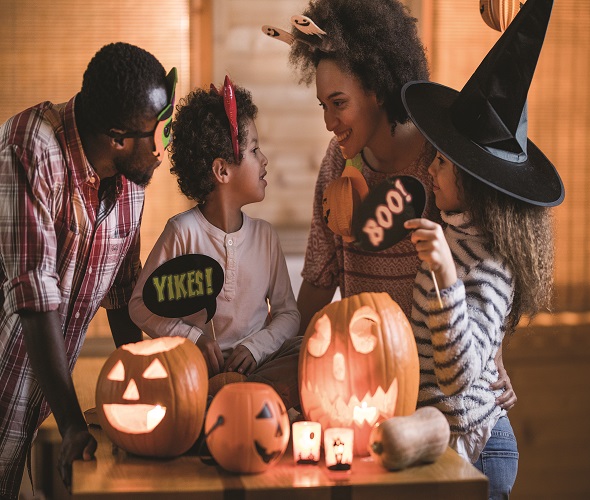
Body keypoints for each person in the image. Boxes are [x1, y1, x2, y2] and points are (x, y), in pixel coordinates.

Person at [264, 0, 516, 409]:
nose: (329, 121)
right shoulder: (337, 163)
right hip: (364, 378)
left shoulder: (440, 164)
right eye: (323, 105)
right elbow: (320, 276)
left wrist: (494, 354)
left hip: (434, 388)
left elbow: (484, 264)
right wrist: (282, 354)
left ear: (378, 90)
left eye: (339, 103)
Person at [0, 42, 176, 498]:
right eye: (158, 132)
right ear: (117, 137)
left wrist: (153, 387)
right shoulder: (31, 149)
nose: (164, 146)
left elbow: (119, 294)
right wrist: (74, 426)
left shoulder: (131, 183)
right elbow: (36, 298)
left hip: (39, 407)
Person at [401, 0, 563, 496]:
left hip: (478, 448)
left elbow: (459, 376)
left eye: (443, 164)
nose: (430, 169)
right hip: (440, 439)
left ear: (474, 184)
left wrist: (447, 278)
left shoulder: (487, 266)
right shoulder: (455, 234)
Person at [128, 79, 301, 408]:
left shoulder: (265, 237)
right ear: (222, 170)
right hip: (195, 371)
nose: (264, 159)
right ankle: (230, 404)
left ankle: (230, 402)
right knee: (163, 377)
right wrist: (192, 339)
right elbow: (140, 305)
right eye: (253, 150)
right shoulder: (182, 232)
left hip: (257, 368)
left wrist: (256, 347)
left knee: (308, 350)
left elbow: (288, 314)